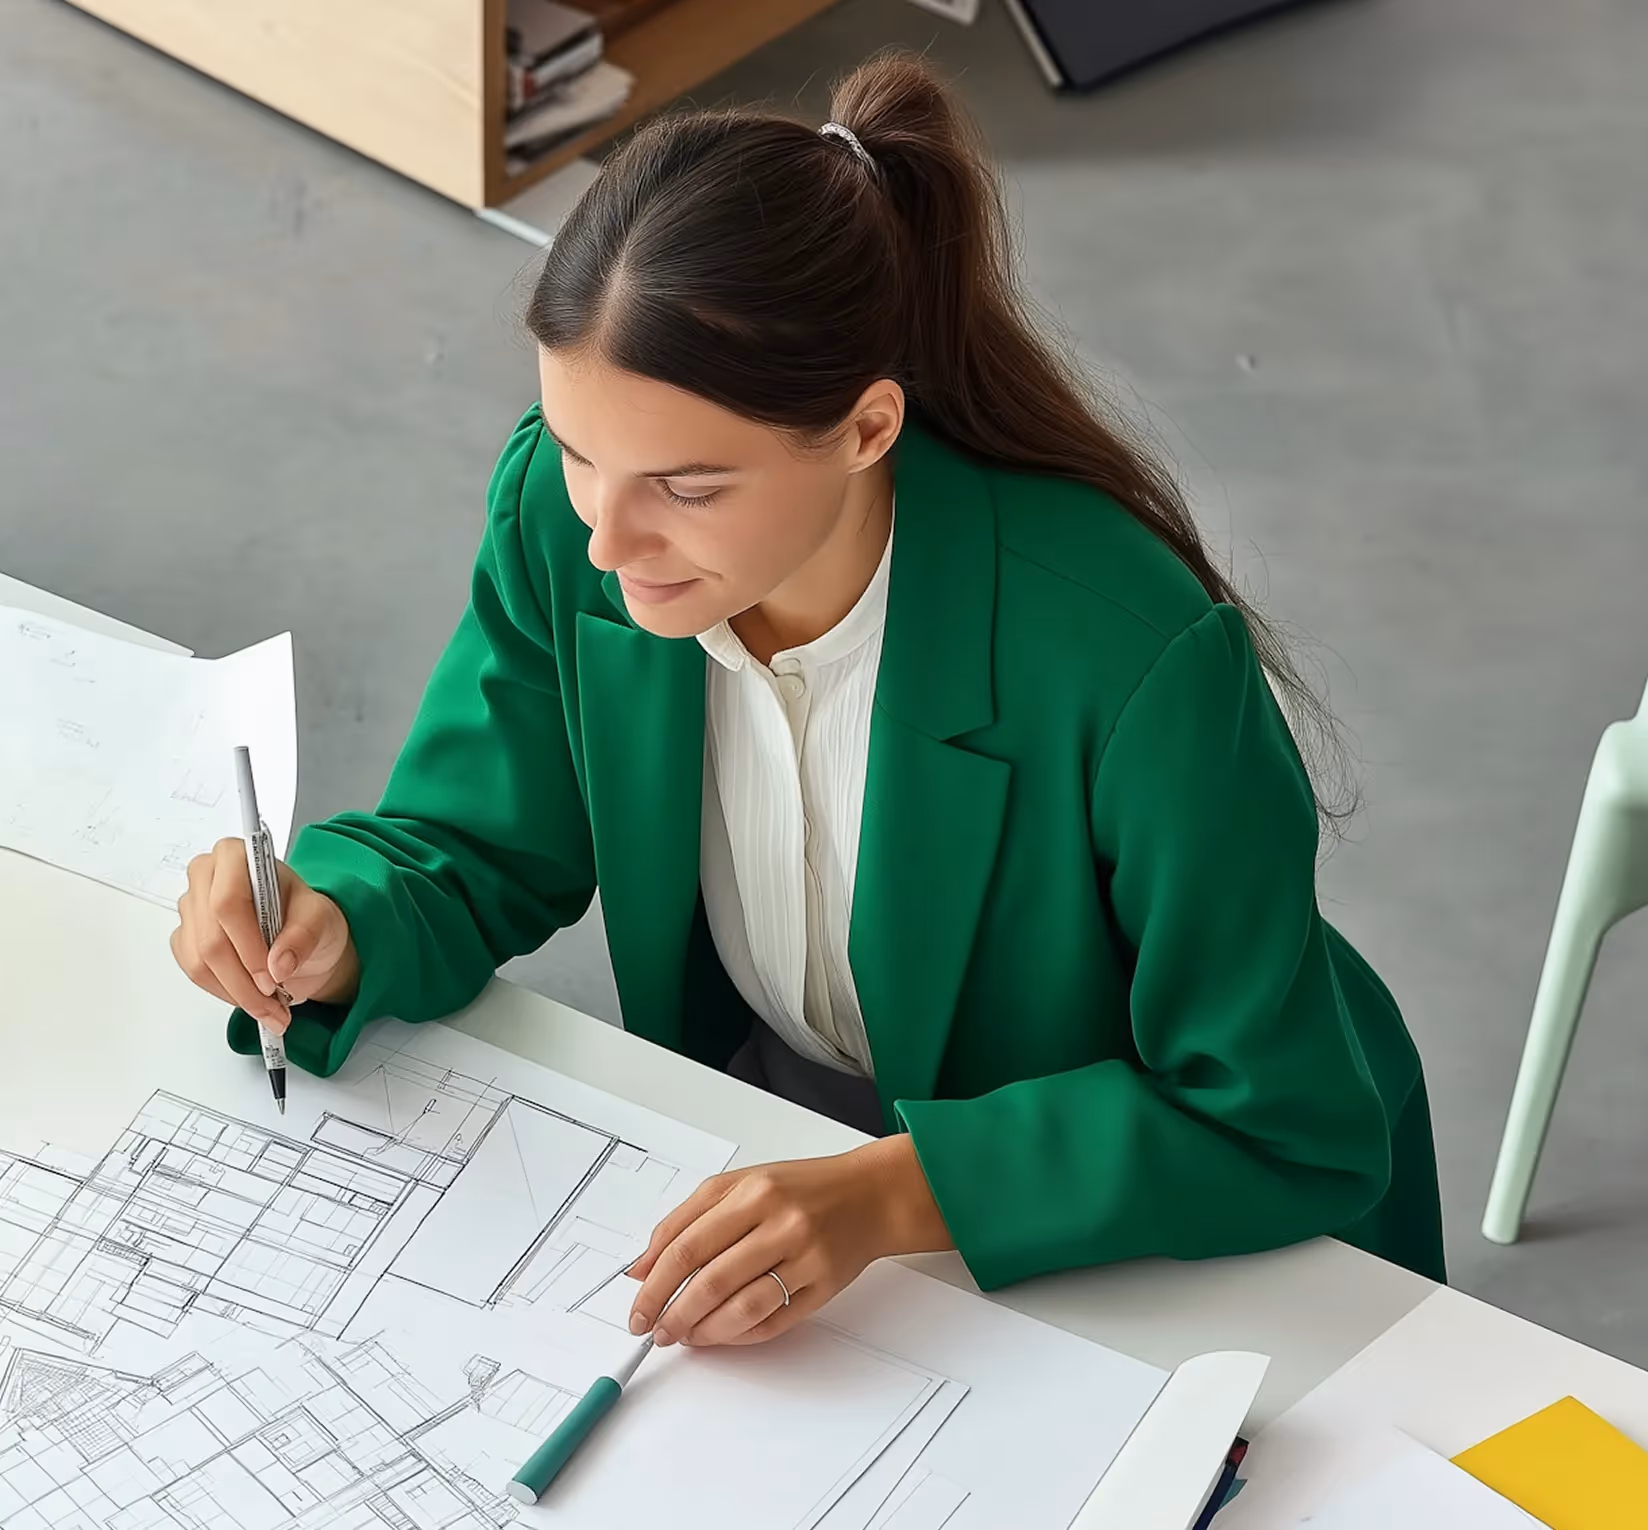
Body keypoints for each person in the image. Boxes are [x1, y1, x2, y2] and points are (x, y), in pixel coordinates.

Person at [170, 53, 1445, 1353]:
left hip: (1143, 1219)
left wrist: (899, 1189)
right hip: (807, 1144)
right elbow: (474, 841)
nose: (609, 539)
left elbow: (1274, 1113)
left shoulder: (1132, 656)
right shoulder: (572, 528)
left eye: (688, 485)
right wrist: (338, 916)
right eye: (578, 452)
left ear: (867, 428)